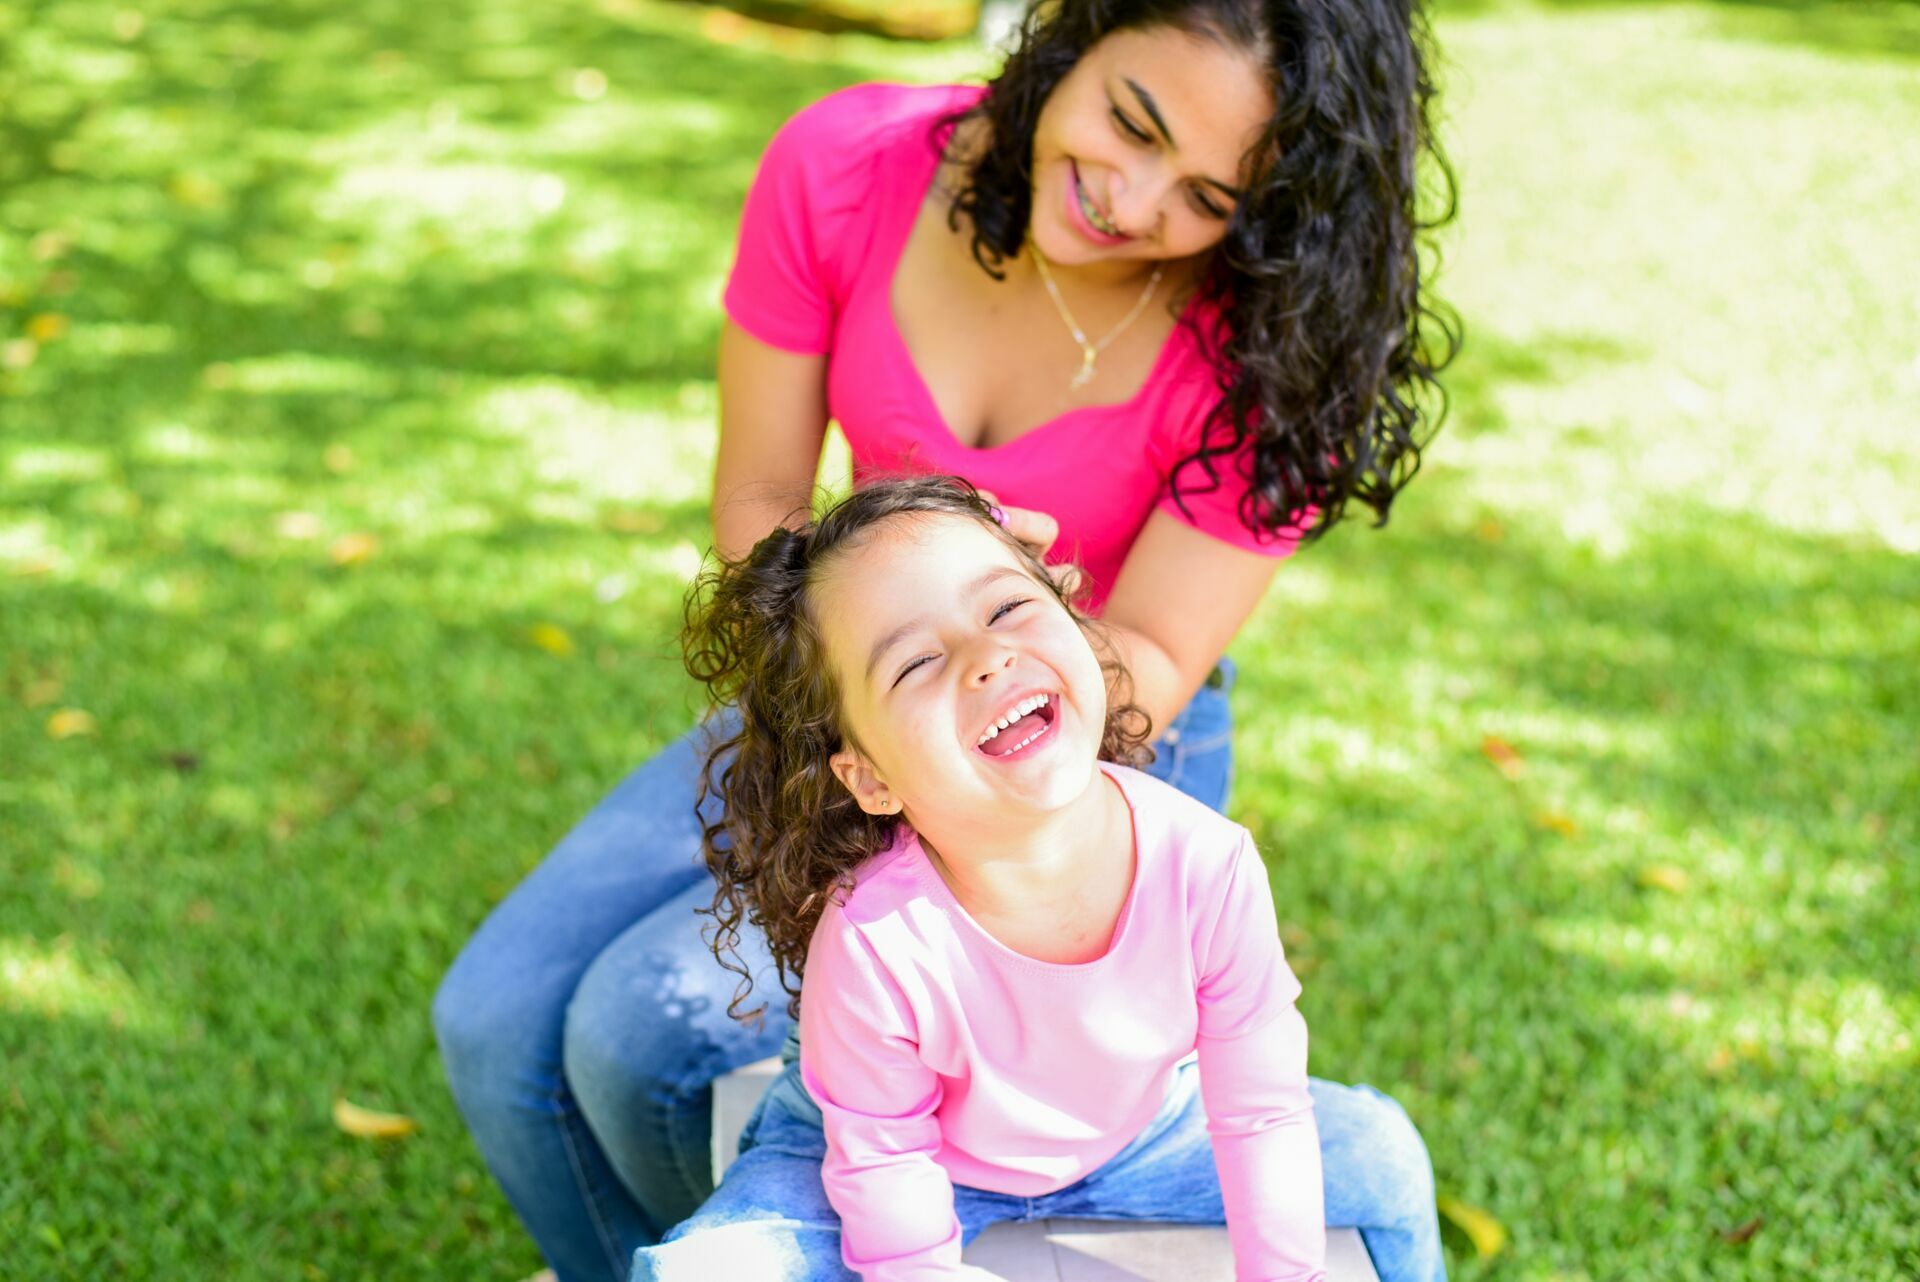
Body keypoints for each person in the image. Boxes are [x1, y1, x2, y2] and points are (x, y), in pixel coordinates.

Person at [432, 2, 1457, 1279]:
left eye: (1205, 194)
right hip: (859, 690)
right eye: (1129, 121)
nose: (1134, 202)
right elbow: (761, 505)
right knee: (493, 1018)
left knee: (632, 1034)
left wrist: (991, 617)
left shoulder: (1273, 353)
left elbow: (1144, 652)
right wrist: (887, 636)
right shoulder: (844, 166)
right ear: (1071, 36)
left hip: (1084, 740)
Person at [629, 477, 1442, 1282]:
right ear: (871, 777)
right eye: (915, 662)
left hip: (1143, 1136)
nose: (988, 658)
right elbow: (884, 1165)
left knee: (1384, 1156)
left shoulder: (1207, 863)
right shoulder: (875, 938)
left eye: (1006, 608)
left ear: (1078, 627)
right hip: (901, 1154)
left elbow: (1261, 1108)